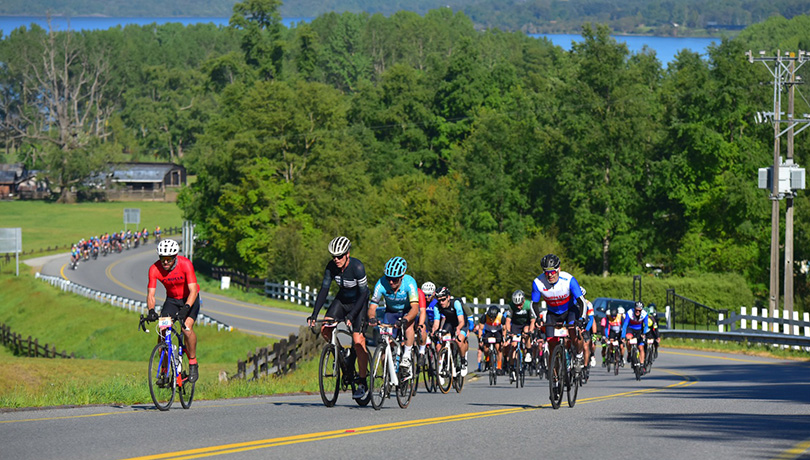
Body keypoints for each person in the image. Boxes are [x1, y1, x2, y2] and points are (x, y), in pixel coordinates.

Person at [307, 236, 370, 400]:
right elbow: (324, 290)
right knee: (325, 329)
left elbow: (364, 293)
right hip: (342, 301)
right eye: (333, 256)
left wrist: (351, 315)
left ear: (347, 254)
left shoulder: (357, 267)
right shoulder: (331, 267)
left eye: (340, 256)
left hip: (359, 303)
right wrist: (314, 314)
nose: (336, 260)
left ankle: (362, 381)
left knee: (357, 340)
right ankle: (341, 353)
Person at [146, 239, 201, 383]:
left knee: (186, 329)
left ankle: (193, 362)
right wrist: (151, 310)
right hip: (172, 301)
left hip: (189, 299)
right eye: (162, 259)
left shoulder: (185, 264)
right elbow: (151, 294)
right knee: (163, 330)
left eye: (168, 259)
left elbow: (193, 290)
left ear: (175, 256)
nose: (165, 262)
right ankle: (164, 370)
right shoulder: (154, 269)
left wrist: (186, 308)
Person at [531, 253, 587, 372]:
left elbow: (582, 302)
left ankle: (578, 355)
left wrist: (581, 318)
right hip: (553, 313)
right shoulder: (538, 282)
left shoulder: (569, 280)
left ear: (559, 269)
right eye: (546, 272)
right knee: (551, 345)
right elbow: (534, 304)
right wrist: (537, 318)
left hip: (570, 310)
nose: (550, 275)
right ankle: (555, 378)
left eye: (553, 272)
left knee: (574, 333)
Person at [367, 256, 420, 380]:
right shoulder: (381, 284)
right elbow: (372, 307)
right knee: (386, 343)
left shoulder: (409, 282)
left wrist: (406, 319)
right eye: (389, 278)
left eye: (394, 280)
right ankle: (387, 374)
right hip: (391, 312)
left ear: (402, 277)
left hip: (407, 311)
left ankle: (406, 356)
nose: (391, 282)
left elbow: (415, 308)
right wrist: (371, 317)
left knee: (409, 326)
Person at [433, 286, 469, 375]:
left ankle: (463, 360)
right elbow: (436, 323)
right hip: (449, 323)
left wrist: (458, 328)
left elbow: (461, 321)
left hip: (461, 323)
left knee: (459, 340)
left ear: (448, 297)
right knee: (442, 340)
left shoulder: (456, 303)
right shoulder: (437, 306)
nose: (441, 302)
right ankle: (446, 361)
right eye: (439, 300)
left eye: (443, 300)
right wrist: (435, 331)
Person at [503, 289, 536, 382]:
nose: (519, 307)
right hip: (516, 325)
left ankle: (529, 351)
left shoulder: (529, 305)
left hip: (526, 323)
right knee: (513, 345)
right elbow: (508, 321)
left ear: (523, 300)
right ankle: (512, 368)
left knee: (526, 332)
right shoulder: (511, 306)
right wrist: (509, 332)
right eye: (517, 305)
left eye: (520, 304)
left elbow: (533, 320)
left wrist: (530, 331)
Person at [622, 301, 650, 373]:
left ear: (641, 310)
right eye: (636, 310)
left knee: (641, 347)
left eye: (639, 310)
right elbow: (625, 325)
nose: (637, 312)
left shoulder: (644, 314)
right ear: (634, 309)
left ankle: (641, 364)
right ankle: (629, 352)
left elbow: (646, 325)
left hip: (639, 330)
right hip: (630, 328)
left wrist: (644, 333)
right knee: (628, 339)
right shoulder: (629, 313)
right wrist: (623, 336)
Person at [479, 305, 505, 375]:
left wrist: (503, 339)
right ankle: (487, 359)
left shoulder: (501, 317)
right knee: (486, 348)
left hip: (498, 331)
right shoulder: (484, 316)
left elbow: (504, 329)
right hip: (488, 331)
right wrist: (480, 339)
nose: (491, 319)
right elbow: (480, 329)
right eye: (490, 317)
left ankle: (499, 367)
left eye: (493, 318)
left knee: (498, 348)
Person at [418, 281, 439, 365]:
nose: (426, 297)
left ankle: (440, 362)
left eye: (429, 295)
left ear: (433, 293)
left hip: (435, 322)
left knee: (438, 345)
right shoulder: (422, 302)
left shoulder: (437, 302)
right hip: (426, 323)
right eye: (424, 295)